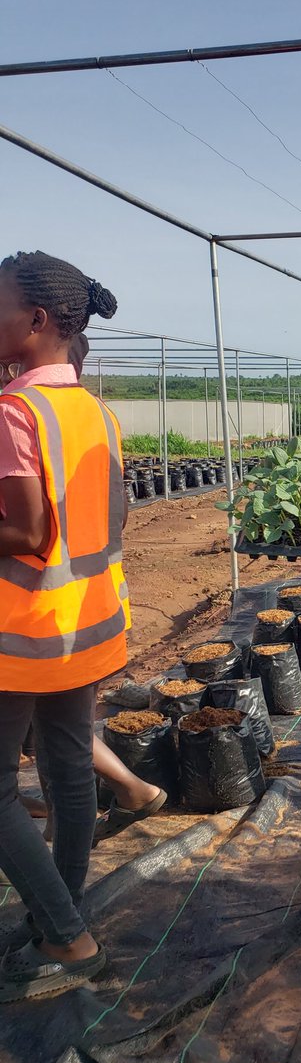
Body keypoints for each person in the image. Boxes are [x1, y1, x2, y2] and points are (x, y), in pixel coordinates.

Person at [0, 250, 130, 1002]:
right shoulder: (93, 410)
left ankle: (68, 935)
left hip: (21, 630)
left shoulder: (15, 412)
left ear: (37, 322)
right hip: (85, 623)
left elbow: (23, 530)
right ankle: (62, 913)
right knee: (66, 769)